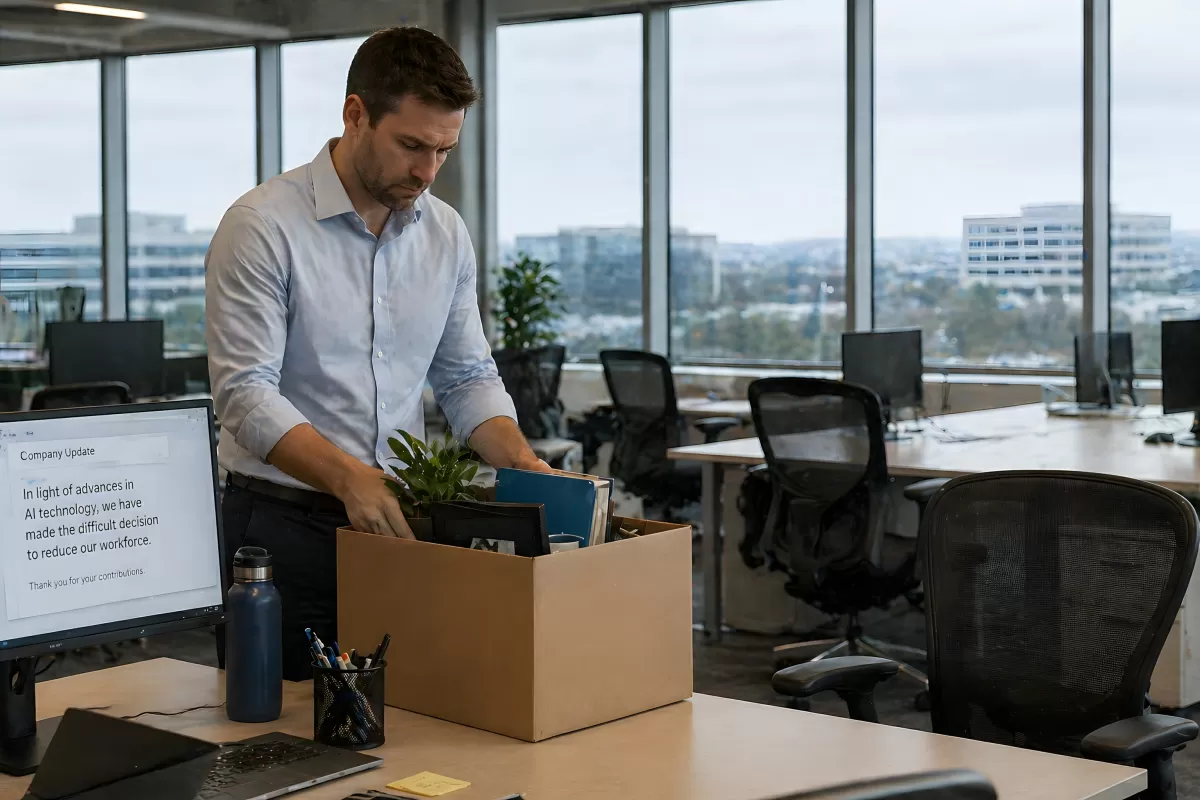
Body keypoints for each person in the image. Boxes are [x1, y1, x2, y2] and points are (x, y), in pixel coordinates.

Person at [205, 27, 551, 680]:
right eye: (412, 146)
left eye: (444, 151)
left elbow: (465, 375)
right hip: (283, 527)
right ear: (355, 114)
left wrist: (524, 462)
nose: (426, 171)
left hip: (398, 525)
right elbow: (245, 395)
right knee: (281, 736)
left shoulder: (444, 232)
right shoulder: (262, 227)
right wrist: (345, 475)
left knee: (415, 721)